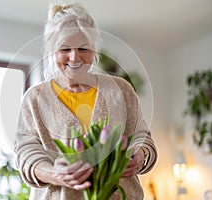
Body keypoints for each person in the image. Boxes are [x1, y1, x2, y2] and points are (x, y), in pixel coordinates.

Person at [15, 2, 157, 200]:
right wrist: (55, 174)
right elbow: (26, 153)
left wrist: (140, 155)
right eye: (65, 49)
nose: (75, 58)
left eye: (83, 48)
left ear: (94, 49)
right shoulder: (35, 98)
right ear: (51, 51)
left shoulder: (121, 90)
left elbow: (143, 138)